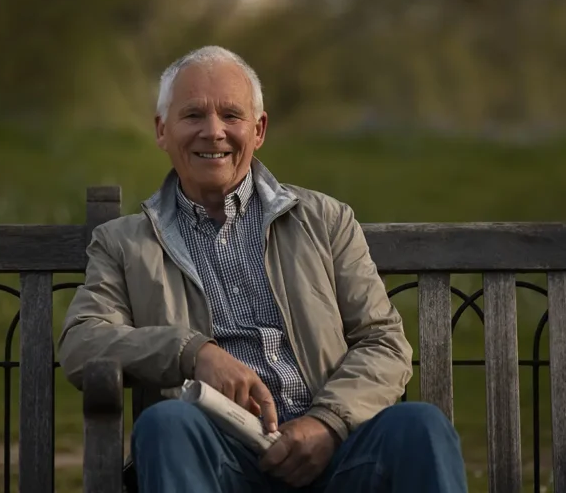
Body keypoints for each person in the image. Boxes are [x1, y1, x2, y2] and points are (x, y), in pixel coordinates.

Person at [58, 45, 467, 492]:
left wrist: (327, 423)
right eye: (193, 115)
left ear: (259, 129)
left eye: (231, 116)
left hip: (334, 455)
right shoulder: (124, 243)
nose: (213, 132)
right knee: (165, 423)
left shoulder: (326, 220)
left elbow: (384, 342)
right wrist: (194, 353)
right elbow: (83, 342)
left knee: (420, 426)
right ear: (162, 130)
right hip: (217, 458)